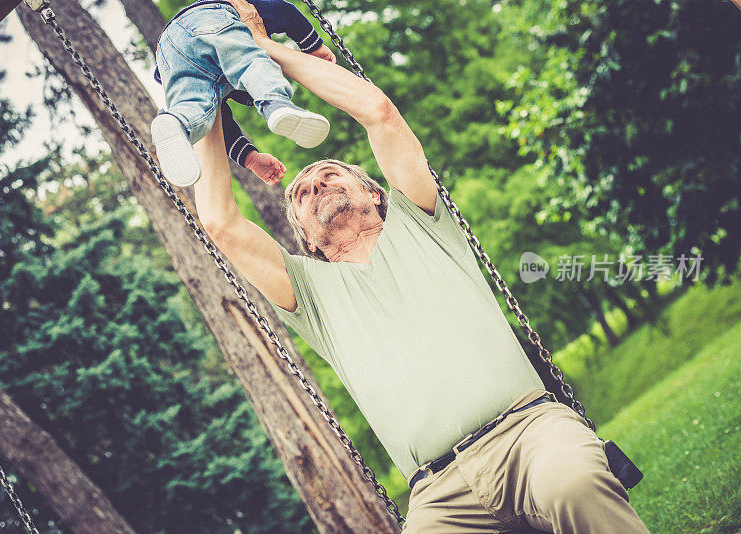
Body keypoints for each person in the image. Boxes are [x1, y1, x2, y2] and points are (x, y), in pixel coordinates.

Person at [192, 0, 652, 531]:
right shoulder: (308, 294)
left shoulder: (422, 222)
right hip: (437, 491)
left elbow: (378, 113)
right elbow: (221, 224)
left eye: (331, 175)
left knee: (573, 484)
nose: (317, 184)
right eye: (302, 193)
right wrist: (202, 99)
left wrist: (270, 51)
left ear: (375, 195)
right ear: (307, 242)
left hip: (530, 433)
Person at [151, 0, 336, 187]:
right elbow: (283, 10)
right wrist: (313, 46)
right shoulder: (244, 8)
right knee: (249, 62)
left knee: (196, 106)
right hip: (208, 17)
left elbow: (223, 124)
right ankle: (275, 103)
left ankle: (178, 122)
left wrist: (250, 158)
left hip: (167, 54)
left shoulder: (215, 87)